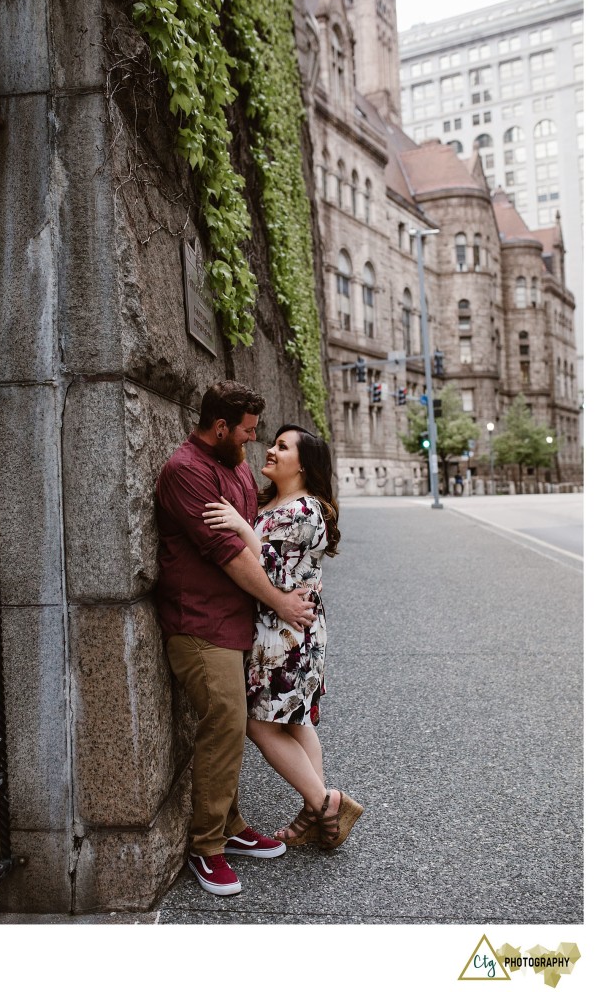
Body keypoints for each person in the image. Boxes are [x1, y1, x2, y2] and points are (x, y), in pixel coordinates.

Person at [155, 382, 316, 897]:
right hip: (200, 625)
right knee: (224, 720)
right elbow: (231, 553)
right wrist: (281, 601)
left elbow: (260, 536)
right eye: (246, 431)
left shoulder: (237, 466)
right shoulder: (186, 471)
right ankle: (207, 848)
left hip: (240, 621)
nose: (253, 442)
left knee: (239, 725)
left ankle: (230, 823)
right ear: (220, 427)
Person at [203, 424, 364, 850]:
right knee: (294, 718)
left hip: (286, 633)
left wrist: (241, 527)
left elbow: (280, 575)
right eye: (273, 443)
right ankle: (316, 811)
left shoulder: (305, 509)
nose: (270, 451)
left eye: (281, 447)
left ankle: (325, 800)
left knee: (260, 724)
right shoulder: (273, 503)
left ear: (303, 464)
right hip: (281, 629)